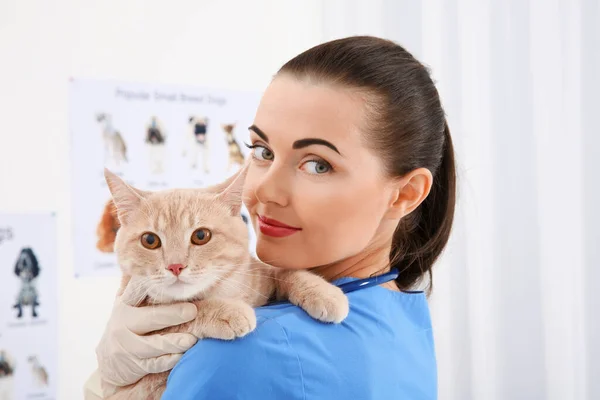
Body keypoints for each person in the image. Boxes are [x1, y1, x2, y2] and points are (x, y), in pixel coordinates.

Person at [84, 35, 456, 399]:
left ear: (405, 194)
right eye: (261, 151)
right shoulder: (405, 314)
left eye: (318, 164)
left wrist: (105, 386)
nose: (264, 191)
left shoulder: (243, 352)